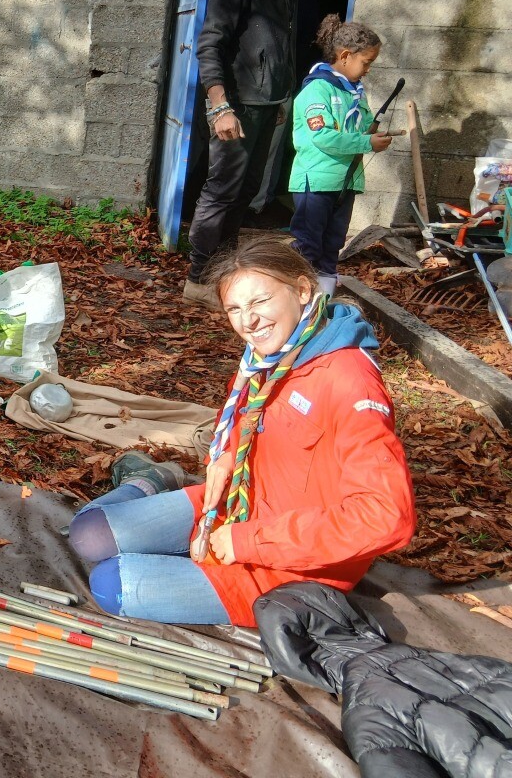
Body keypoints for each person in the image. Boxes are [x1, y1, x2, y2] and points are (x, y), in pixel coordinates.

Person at [67, 237, 415, 627]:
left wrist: (249, 540)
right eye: (235, 308)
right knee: (86, 534)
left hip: (286, 568)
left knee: (110, 583)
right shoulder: (269, 355)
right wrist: (225, 456)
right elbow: (243, 420)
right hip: (234, 506)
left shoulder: (348, 381)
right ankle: (150, 480)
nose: (248, 322)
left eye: (260, 301)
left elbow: (386, 516)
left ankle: (167, 533)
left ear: (302, 290)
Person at [184, 0, 305, 310]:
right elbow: (210, 42)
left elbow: (280, 43)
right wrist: (219, 105)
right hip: (234, 104)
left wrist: (280, 99)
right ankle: (198, 278)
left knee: (246, 191)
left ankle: (224, 273)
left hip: (265, 105)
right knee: (222, 190)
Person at [288, 15, 401, 296]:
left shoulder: (354, 92)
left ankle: (323, 298)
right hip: (316, 181)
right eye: (367, 62)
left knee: (333, 242)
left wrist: (371, 134)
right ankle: (295, 295)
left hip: (345, 181)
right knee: (308, 243)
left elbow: (358, 129)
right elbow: (322, 136)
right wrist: (365, 142)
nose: (368, 70)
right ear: (346, 56)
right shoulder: (317, 90)